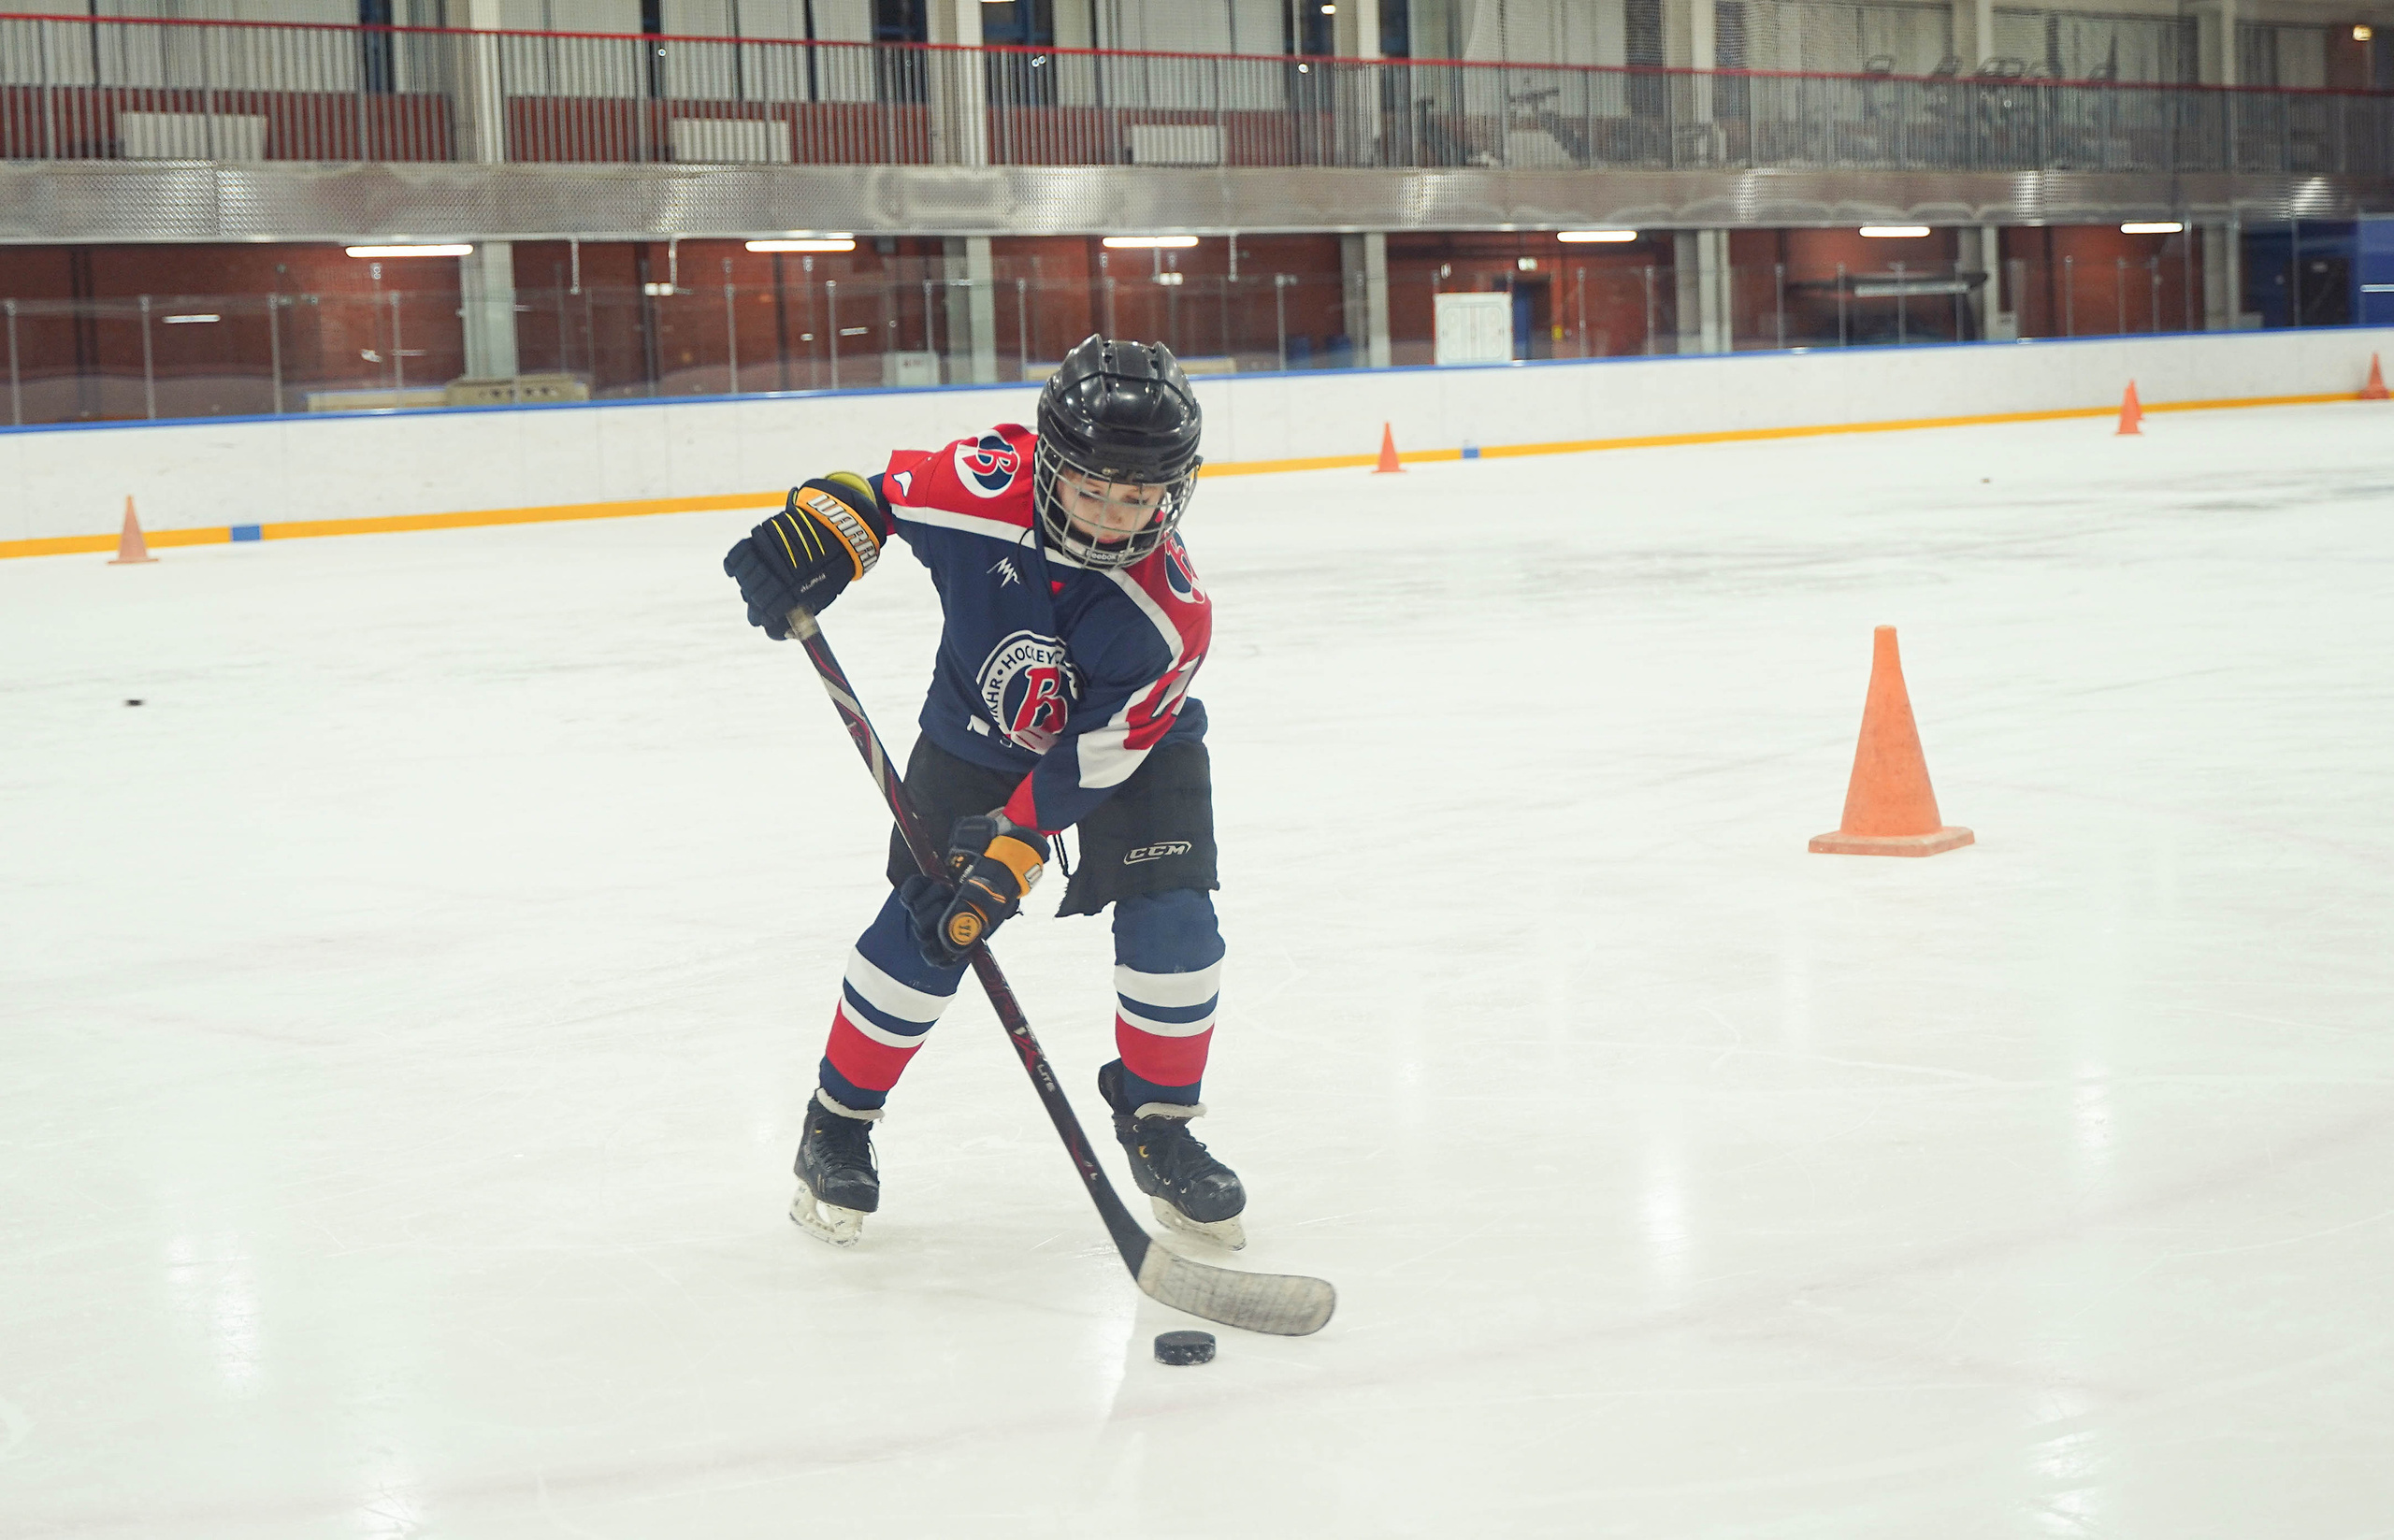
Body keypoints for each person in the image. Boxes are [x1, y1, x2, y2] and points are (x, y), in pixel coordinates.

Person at [723, 335, 1246, 1251]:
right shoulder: (980, 484)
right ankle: (835, 1124)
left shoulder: (1170, 617)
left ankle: (1160, 1125)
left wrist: (1014, 844)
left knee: (1176, 924)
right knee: (930, 925)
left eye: (1138, 497)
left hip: (1130, 749)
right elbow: (879, 496)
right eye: (1091, 489)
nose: (1113, 517)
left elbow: (1100, 755)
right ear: (1049, 462)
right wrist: (825, 536)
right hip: (974, 732)